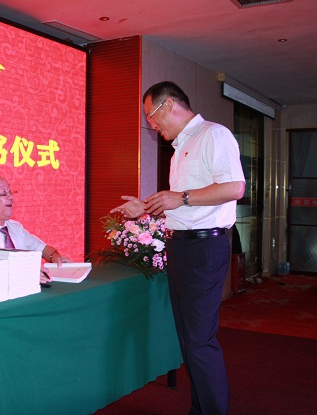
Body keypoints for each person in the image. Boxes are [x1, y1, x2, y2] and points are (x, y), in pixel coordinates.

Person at [111, 81, 245, 414]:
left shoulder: (213, 135)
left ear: (169, 104)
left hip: (203, 248)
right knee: (188, 339)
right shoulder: (182, 147)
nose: (151, 124)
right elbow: (184, 206)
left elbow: (235, 187)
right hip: (183, 247)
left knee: (200, 341)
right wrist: (145, 208)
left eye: (151, 116)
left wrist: (181, 197)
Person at [0, 171, 70, 283]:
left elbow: (42, 248)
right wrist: (26, 275)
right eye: (3, 193)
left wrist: (54, 257)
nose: (11, 197)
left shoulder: (15, 228)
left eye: (10, 192)